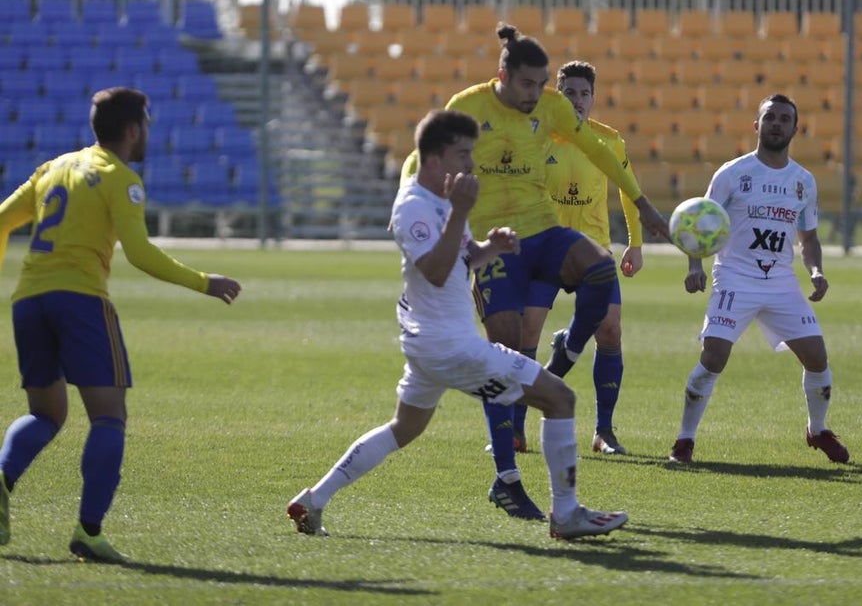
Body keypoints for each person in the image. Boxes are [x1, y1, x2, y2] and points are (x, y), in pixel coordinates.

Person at [287, 109, 628, 540]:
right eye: (462, 153)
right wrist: (460, 212)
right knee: (559, 399)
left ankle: (313, 499)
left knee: (403, 428)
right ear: (433, 159)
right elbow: (433, 268)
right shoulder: (413, 206)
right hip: (451, 346)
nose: (470, 163)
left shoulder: (442, 200)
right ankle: (566, 514)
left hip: (429, 343)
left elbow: (458, 261)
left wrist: (490, 248)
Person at [403, 24, 669, 519]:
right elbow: (422, 157)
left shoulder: (550, 108)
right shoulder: (470, 105)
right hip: (495, 244)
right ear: (502, 75)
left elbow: (597, 150)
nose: (537, 94)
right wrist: (411, 200)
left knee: (599, 270)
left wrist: (642, 205)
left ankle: (568, 348)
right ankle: (506, 476)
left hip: (544, 230)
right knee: (503, 356)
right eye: (528, 84)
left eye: (543, 83)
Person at [0, 86, 242, 563]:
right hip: (80, 301)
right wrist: (203, 282)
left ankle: (2, 476)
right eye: (146, 126)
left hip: (29, 300)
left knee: (46, 415)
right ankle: (88, 532)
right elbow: (139, 252)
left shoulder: (51, 169)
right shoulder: (120, 178)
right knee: (108, 417)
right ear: (134, 129)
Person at [668, 93, 849, 465]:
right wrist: (694, 266)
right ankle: (684, 440)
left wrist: (815, 271)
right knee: (713, 357)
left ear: (796, 129)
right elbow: (698, 221)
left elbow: (809, 238)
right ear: (757, 125)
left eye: (784, 119)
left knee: (817, 358)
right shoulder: (732, 173)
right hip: (735, 277)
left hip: (781, 281)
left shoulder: (803, 182)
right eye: (770, 118)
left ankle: (817, 430)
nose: (777, 124)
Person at [518, 60, 643, 456]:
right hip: (544, 246)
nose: (577, 100)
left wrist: (635, 244)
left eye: (584, 93)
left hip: (592, 251)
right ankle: (515, 430)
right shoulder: (537, 138)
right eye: (569, 92)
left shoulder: (610, 141)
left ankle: (604, 431)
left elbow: (628, 190)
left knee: (610, 330)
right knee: (526, 332)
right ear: (556, 94)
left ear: (594, 98)